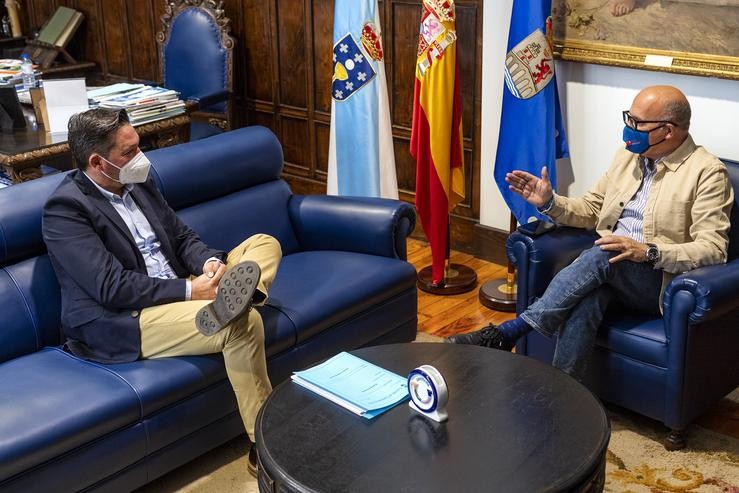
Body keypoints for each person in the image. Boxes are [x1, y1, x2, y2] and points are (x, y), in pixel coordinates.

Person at [42, 108, 282, 477]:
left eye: (140, 146)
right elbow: (111, 287)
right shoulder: (65, 210)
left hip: (187, 286)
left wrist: (207, 266)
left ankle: (241, 295)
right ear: (97, 161)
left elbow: (182, 237)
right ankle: (263, 448)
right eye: (129, 151)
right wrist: (190, 290)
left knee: (264, 243)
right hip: (125, 317)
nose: (141, 157)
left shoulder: (138, 183)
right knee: (241, 325)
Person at [448, 85, 733, 381]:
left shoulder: (707, 173)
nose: (628, 129)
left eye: (636, 123)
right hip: (610, 271)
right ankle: (563, 393)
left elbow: (713, 248)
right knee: (589, 298)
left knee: (602, 254)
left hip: (657, 281)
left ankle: (511, 331)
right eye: (628, 118)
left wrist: (647, 251)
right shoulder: (627, 158)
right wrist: (549, 202)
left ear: (668, 131)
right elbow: (591, 208)